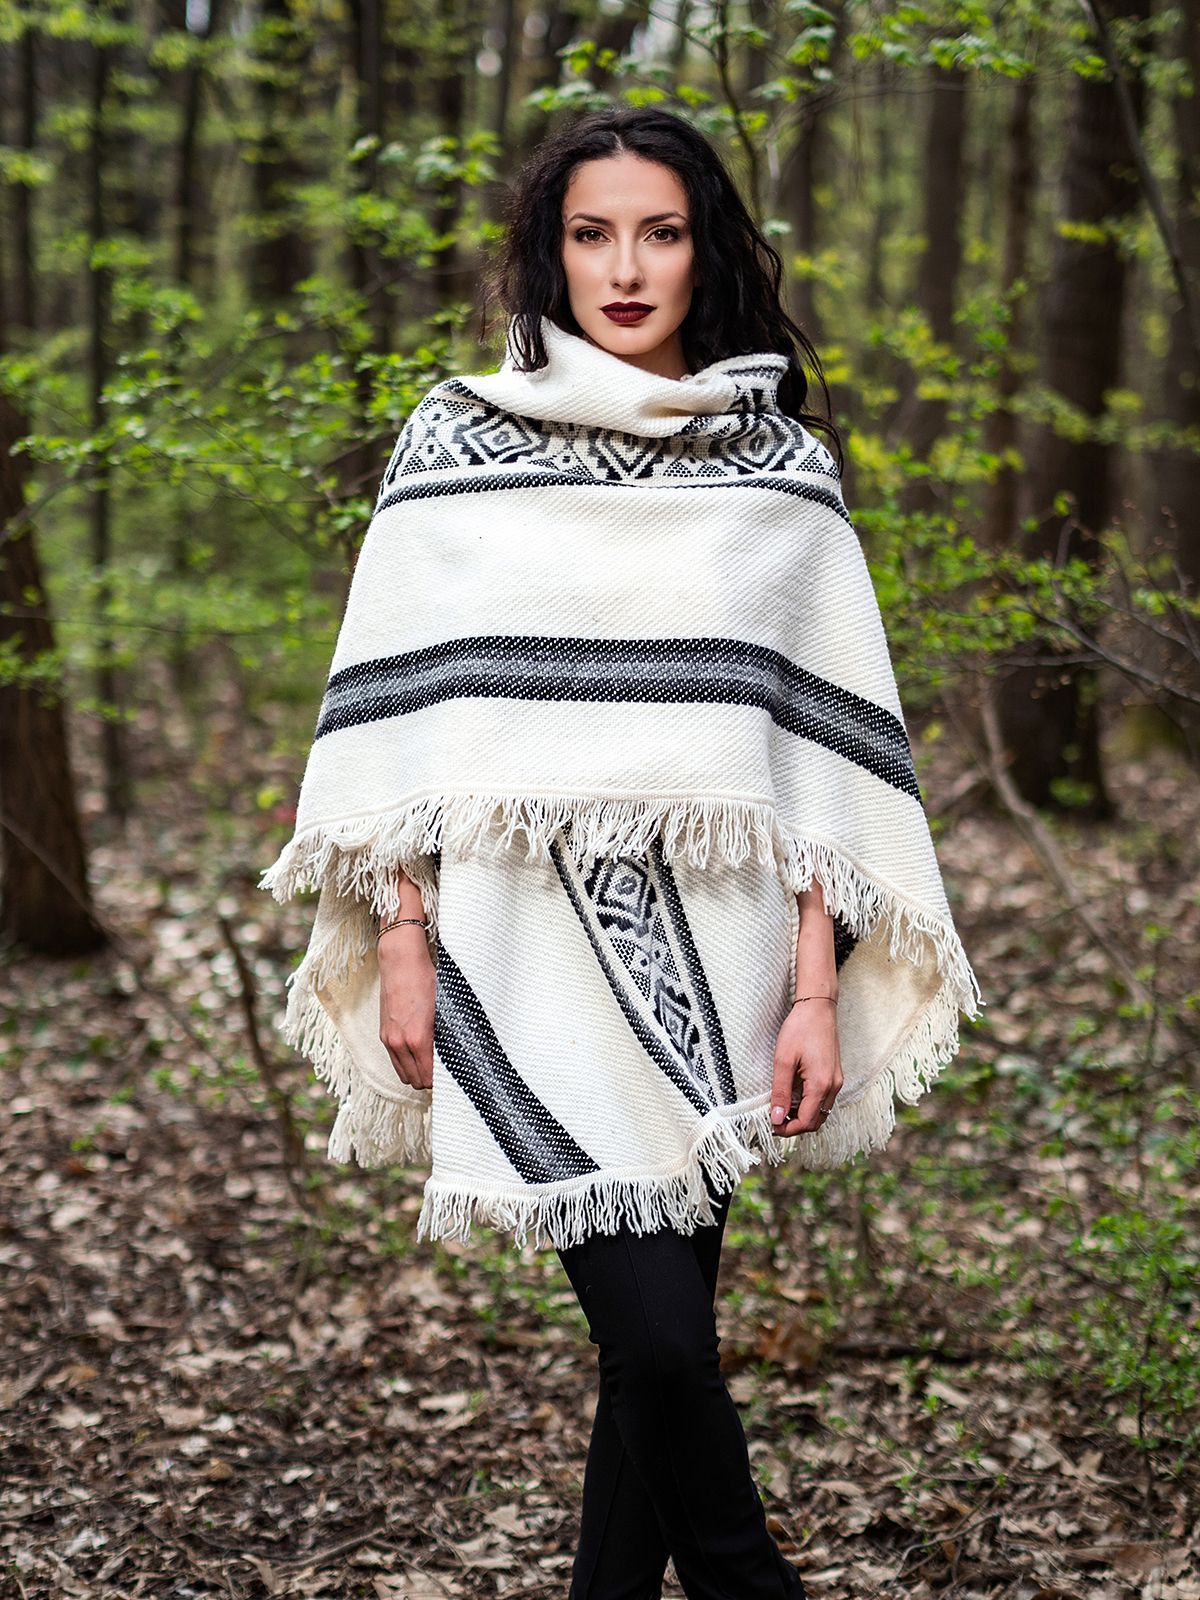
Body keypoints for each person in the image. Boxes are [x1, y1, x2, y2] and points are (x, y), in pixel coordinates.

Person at [261, 105, 981, 1600]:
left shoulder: (778, 467)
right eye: (593, 235)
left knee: (653, 1360)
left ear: (705, 250)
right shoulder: (455, 442)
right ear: (551, 252)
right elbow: (407, 722)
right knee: (656, 1343)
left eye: (661, 232)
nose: (628, 268)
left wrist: (814, 991)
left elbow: (813, 763)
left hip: (722, 959)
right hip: (511, 943)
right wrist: (401, 935)